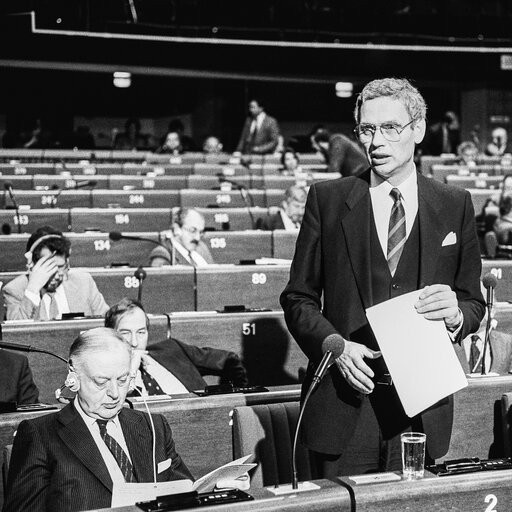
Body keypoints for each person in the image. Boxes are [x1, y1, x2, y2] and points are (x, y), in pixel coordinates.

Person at [280, 77, 485, 477]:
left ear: (418, 129)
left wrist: (457, 315)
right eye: (367, 129)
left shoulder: (455, 204)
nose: (376, 142)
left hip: (422, 409)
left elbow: (472, 302)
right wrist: (334, 346)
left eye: (390, 128)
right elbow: (297, 298)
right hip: (344, 404)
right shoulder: (327, 199)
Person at [3, 327, 193, 512]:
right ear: (73, 378)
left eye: (122, 380)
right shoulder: (40, 435)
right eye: (101, 382)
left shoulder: (154, 426)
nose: (115, 394)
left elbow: (188, 497)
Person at [105, 298, 248, 394]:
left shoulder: (172, 349)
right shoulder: (107, 377)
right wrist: (131, 371)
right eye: (126, 333)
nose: (135, 342)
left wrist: (235, 398)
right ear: (111, 335)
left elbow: (230, 360)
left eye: (141, 332)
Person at [3, 226, 109, 320]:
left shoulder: (84, 282)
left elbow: (107, 323)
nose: (56, 275)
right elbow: (15, 336)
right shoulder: (14, 290)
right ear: (32, 266)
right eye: (49, 268)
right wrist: (32, 289)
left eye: (60, 267)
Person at [455, 303, 512, 375]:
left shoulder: (508, 342)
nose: (474, 312)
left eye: (479, 306)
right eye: (469, 306)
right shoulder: (448, 343)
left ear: (492, 311)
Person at [149, 208, 214, 267]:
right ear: (177, 229)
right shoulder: (163, 254)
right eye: (192, 231)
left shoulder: (202, 247)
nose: (197, 238)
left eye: (200, 232)